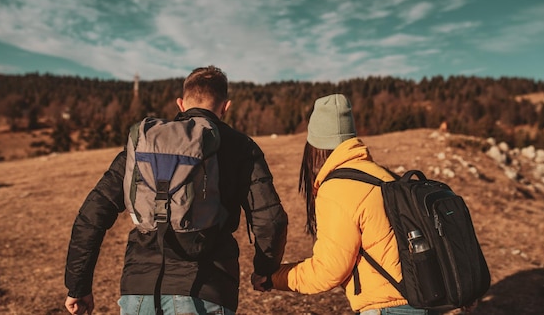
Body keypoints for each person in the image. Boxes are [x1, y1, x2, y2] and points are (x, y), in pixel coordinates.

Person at [64, 65, 288, 315]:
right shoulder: (241, 146)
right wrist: (264, 270)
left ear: (181, 104)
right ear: (226, 106)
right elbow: (270, 220)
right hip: (207, 291)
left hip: (139, 293)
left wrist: (78, 286)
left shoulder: (147, 143)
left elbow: (92, 214)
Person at [251, 94, 439, 315]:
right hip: (423, 300)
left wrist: (274, 278)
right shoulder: (384, 176)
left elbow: (328, 271)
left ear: (314, 146)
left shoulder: (337, 189)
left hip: (388, 307)